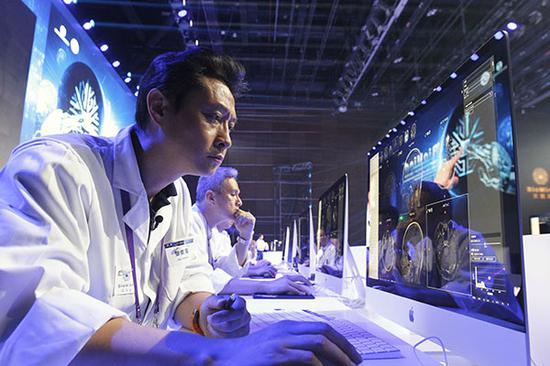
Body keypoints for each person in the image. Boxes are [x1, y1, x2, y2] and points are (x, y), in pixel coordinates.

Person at [0, 48, 361, 365]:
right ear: (159, 107)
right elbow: (34, 316)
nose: (226, 139)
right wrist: (214, 353)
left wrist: (208, 313)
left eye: (230, 124)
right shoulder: (56, 168)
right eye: (214, 117)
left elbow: (186, 287)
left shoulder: (175, 195)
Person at [191, 167, 312, 295]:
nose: (240, 202)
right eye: (233, 194)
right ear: (211, 198)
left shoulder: (210, 229)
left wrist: (245, 237)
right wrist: (267, 286)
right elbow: (203, 281)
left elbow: (228, 272)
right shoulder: (190, 222)